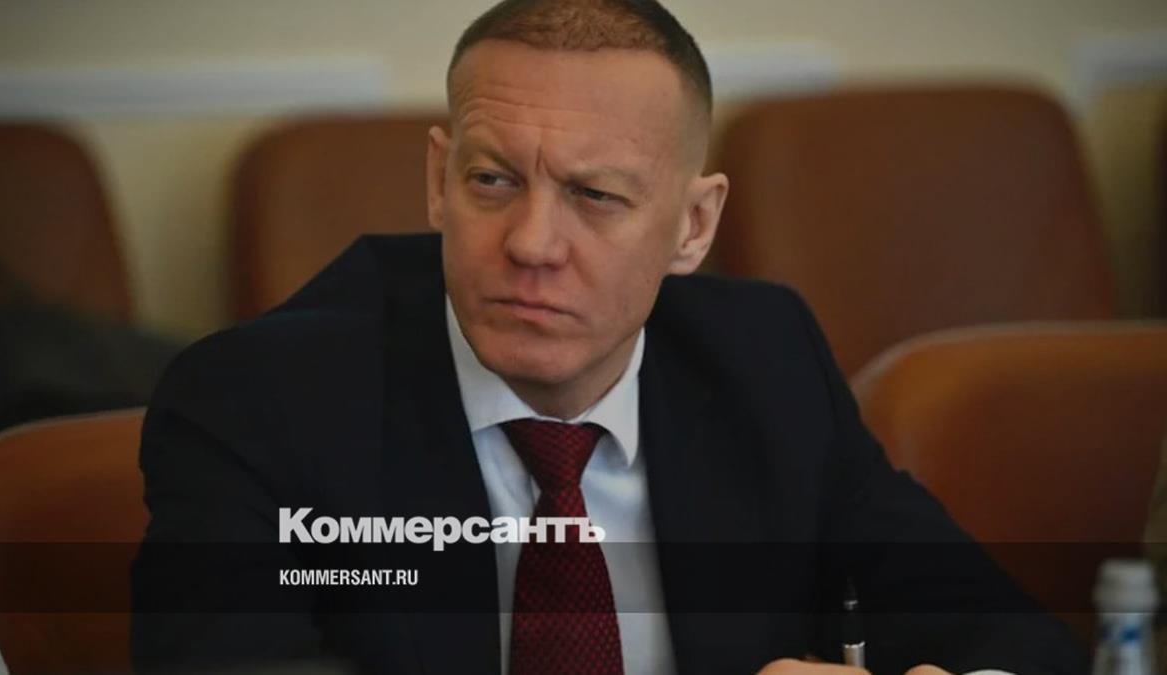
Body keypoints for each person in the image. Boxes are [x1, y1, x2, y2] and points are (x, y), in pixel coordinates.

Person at [131, 1, 1085, 673]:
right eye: (492, 180)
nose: (533, 244)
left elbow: (1012, 638)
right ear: (438, 181)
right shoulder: (259, 403)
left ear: (694, 227)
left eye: (595, 195)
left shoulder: (766, 361)